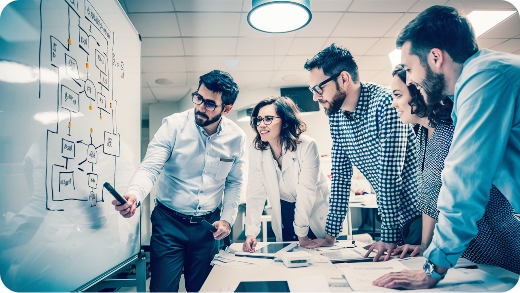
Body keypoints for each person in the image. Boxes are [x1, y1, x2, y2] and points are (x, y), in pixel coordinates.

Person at [374, 5, 520, 289]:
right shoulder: (477, 81)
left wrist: (432, 269)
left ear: (436, 57)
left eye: (409, 69)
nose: (411, 79)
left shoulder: (485, 78)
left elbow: (465, 179)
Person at [112, 70, 246, 292]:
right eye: (198, 98)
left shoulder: (236, 138)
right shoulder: (174, 126)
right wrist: (134, 194)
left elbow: (234, 182)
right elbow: (150, 167)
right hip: (169, 224)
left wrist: (227, 220)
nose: (200, 106)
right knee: (163, 288)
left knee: (204, 289)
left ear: (227, 109)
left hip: (208, 227)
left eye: (210, 103)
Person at [389, 65, 520, 273]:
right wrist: (425, 245)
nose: (393, 103)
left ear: (419, 94)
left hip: (497, 245)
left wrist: (430, 256)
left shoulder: (448, 134)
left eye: (397, 95)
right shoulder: (424, 134)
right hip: (467, 253)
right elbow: (430, 199)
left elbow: (448, 200)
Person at [302, 43, 422, 261]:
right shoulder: (337, 117)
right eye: (312, 90)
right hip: (394, 219)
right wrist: (331, 235)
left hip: (419, 216)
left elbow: (389, 175)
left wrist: (388, 235)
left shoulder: (385, 103)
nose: (315, 97)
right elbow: (340, 177)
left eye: (319, 88)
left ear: (344, 79)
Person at [242, 97, 330, 251]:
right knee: (289, 264)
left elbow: (306, 192)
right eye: (259, 119)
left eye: (268, 119)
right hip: (284, 212)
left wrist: (302, 233)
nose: (261, 124)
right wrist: (251, 232)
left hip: (313, 214)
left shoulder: (307, 145)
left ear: (286, 120)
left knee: (319, 266)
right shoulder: (256, 151)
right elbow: (255, 192)